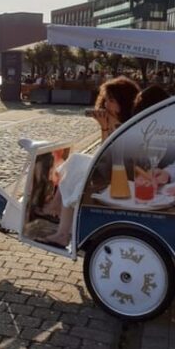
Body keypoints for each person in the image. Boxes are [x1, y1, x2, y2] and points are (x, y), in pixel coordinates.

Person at [35, 77, 140, 247]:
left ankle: (57, 219)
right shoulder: (117, 121)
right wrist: (105, 126)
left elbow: (107, 156)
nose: (106, 105)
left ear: (124, 101)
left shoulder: (127, 124)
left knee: (78, 176)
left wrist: (105, 128)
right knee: (76, 161)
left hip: (120, 176)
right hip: (110, 168)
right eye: (105, 100)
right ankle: (57, 215)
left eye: (111, 101)